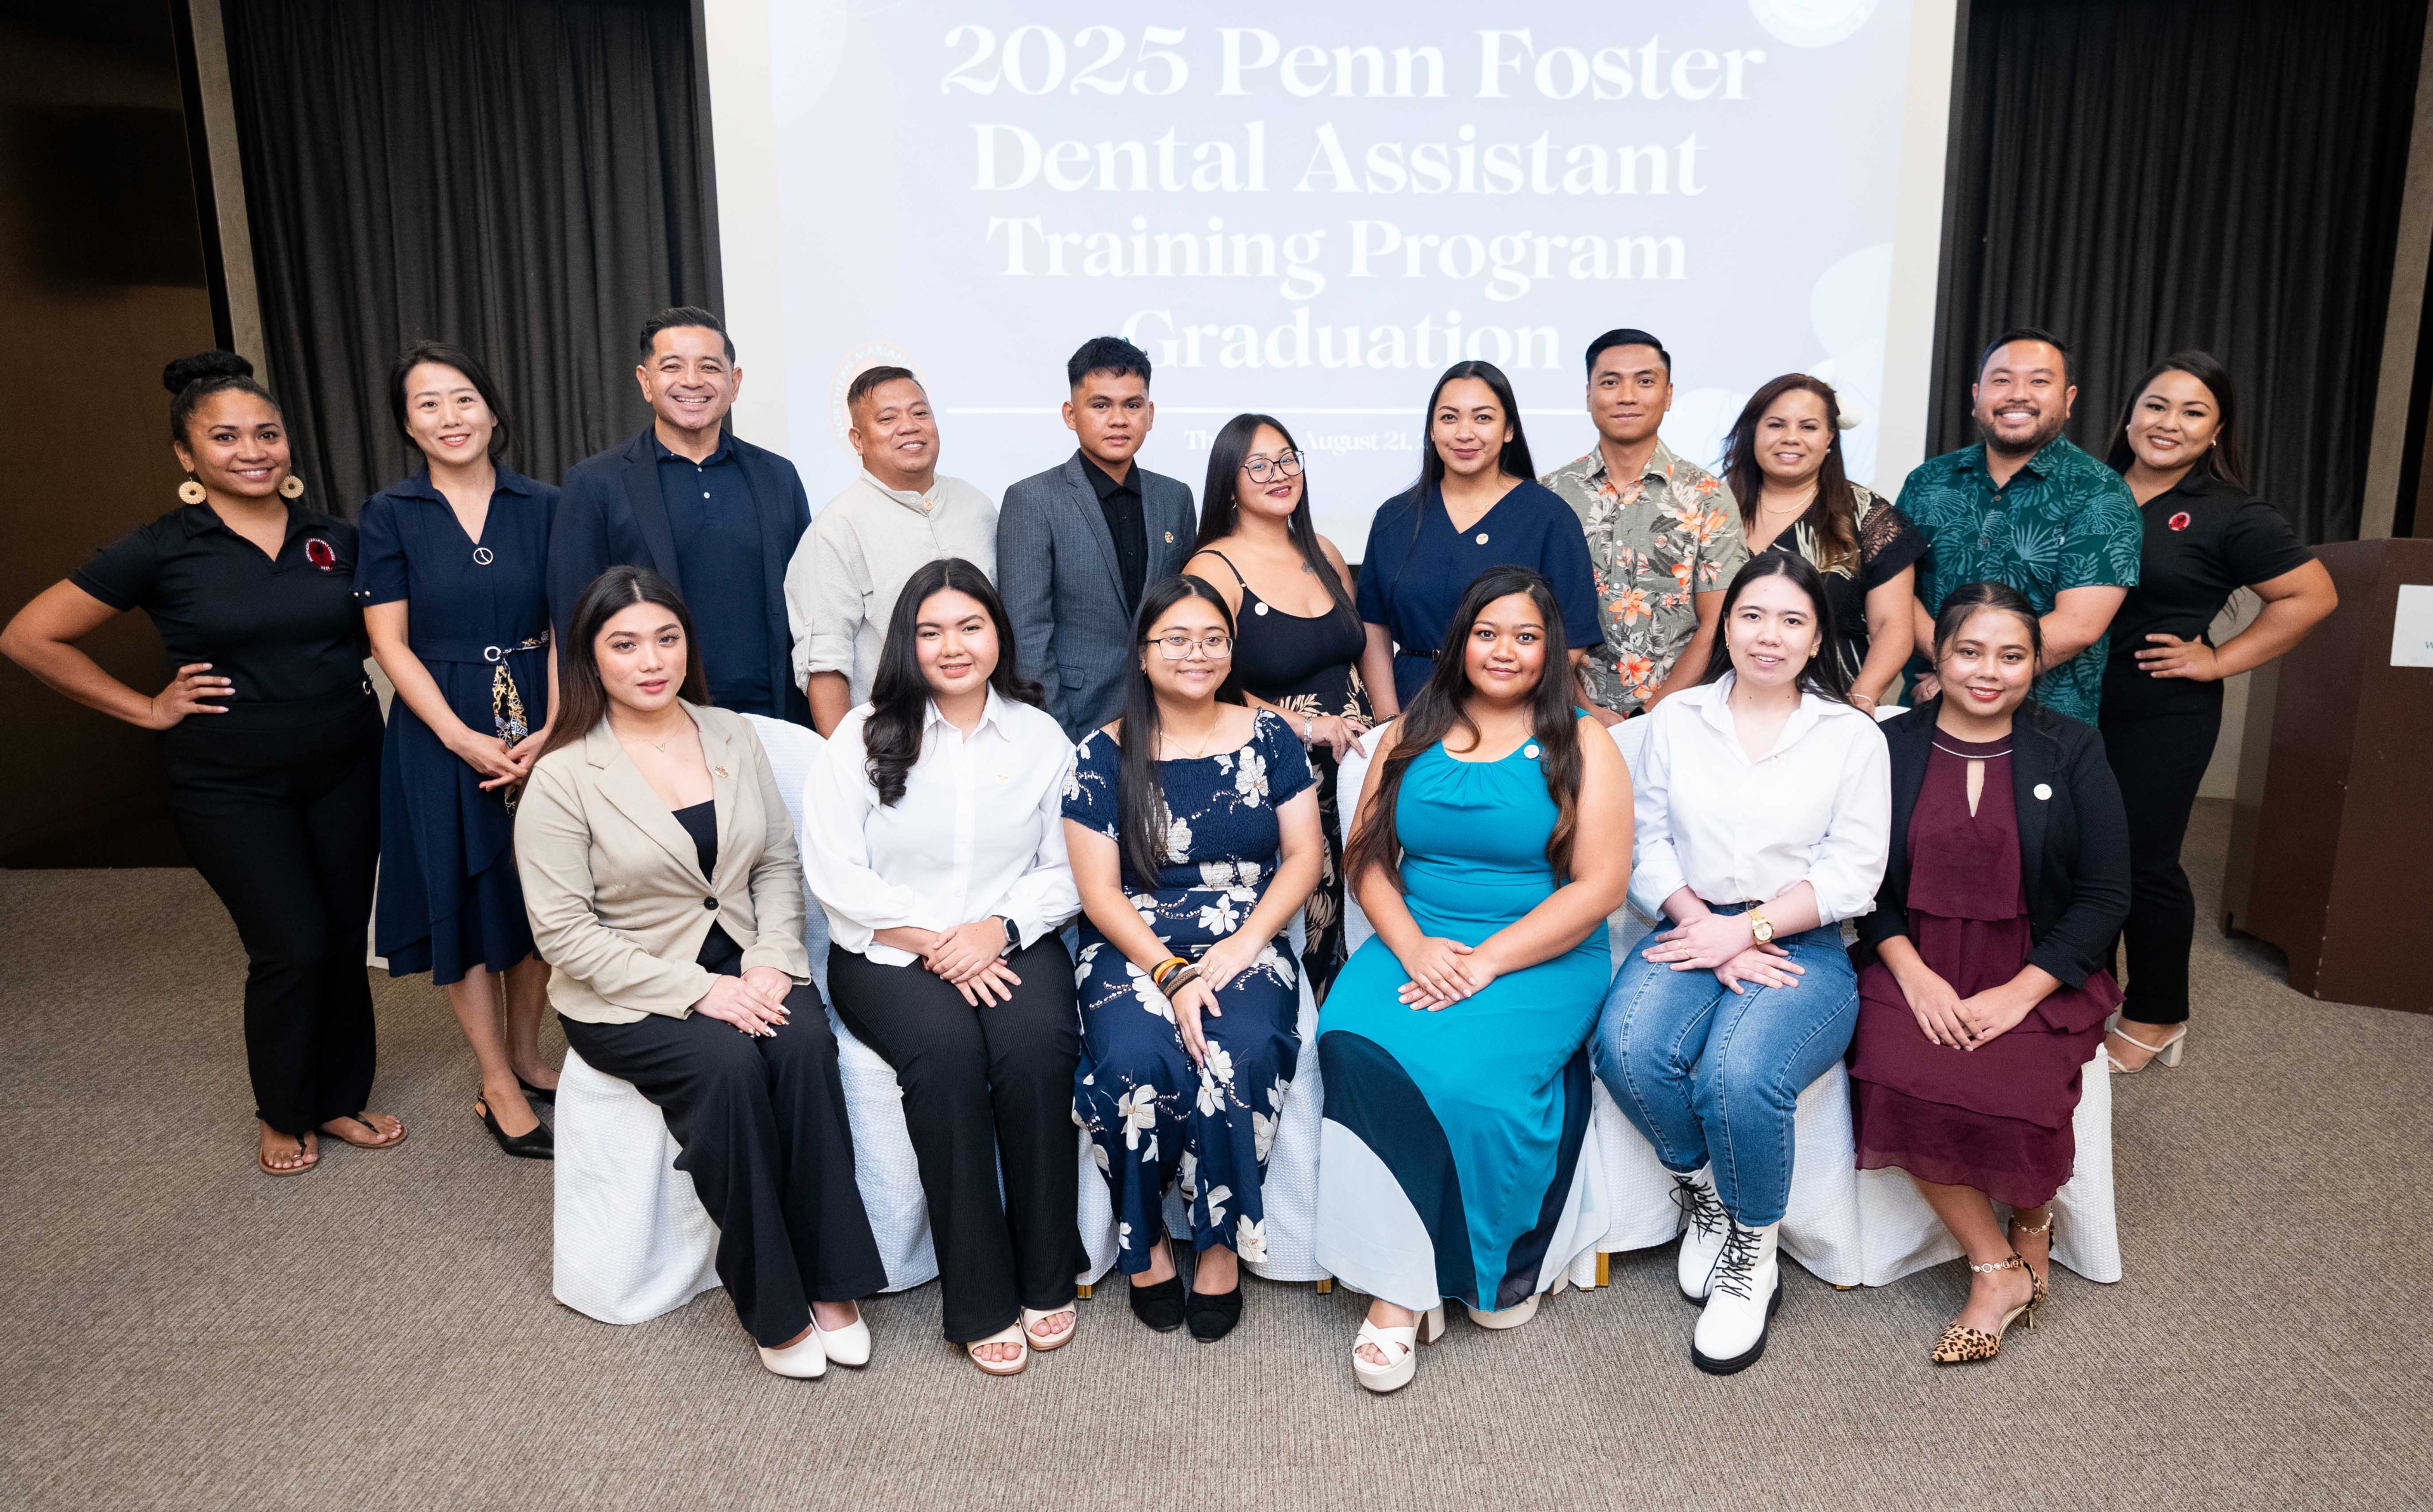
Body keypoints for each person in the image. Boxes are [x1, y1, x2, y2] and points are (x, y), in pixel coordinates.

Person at [0, 352, 403, 1177]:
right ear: (188, 457)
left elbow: (385, 639)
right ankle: (284, 1108)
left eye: (267, 432)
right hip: (228, 783)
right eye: (225, 437)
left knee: (335, 937)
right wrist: (146, 708)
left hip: (348, 766)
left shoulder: (337, 540)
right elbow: (28, 636)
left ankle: (336, 1095)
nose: (252, 450)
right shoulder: (159, 549)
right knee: (288, 945)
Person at [515, 566, 886, 1379]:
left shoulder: (730, 734)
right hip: (628, 987)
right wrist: (702, 991)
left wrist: (770, 962)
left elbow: (778, 864)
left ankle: (830, 1281)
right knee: (725, 1072)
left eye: (666, 638)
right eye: (625, 644)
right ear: (591, 658)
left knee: (800, 1051)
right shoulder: (564, 773)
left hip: (748, 959)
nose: (650, 660)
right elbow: (564, 934)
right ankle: (772, 1301)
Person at [1315, 565, 1632, 1395]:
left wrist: (1486, 962)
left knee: (1465, 1077)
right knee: (1351, 1048)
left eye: (1525, 636)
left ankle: (1444, 1278)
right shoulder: (1408, 730)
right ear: (1460, 640)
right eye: (1488, 632)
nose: (1504, 650)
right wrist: (1417, 947)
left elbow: (1598, 887)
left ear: (1549, 649)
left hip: (1538, 947)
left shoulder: (1584, 740)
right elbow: (1366, 860)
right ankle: (1402, 1286)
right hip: (1414, 938)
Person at [1595, 552, 1890, 1376]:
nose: (1768, 635)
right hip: (1689, 921)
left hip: (1801, 939)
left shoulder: (1848, 737)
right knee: (1625, 1045)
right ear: (1724, 626)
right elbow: (1644, 841)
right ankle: (1705, 1197)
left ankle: (1750, 1253)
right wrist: (1704, 925)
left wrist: (1749, 931)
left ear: (1817, 636)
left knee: (1736, 1070)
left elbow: (1852, 873)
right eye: (1751, 615)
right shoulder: (1677, 718)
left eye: (1792, 620)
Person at [802, 559, 1084, 1376]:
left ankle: (1045, 1272)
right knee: (948, 1055)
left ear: (998, 634)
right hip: (888, 950)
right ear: (906, 643)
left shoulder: (1038, 736)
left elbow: (1066, 866)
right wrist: (935, 941)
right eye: (931, 632)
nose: (952, 647)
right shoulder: (861, 734)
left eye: (970, 626)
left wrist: (995, 929)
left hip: (1008, 940)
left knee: (1035, 1049)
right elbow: (834, 870)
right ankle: (977, 1295)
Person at [1849, 582, 2132, 1363]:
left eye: (2011, 656)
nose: (1988, 672)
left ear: (2037, 664)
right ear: (1935, 655)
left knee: (2015, 1090)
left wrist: (2020, 992)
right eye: (1969, 652)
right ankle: (1994, 1266)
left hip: (2034, 967)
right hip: (1913, 959)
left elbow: (2107, 894)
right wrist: (1912, 976)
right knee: (1891, 1072)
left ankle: (2033, 1220)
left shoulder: (2072, 748)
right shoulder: (1889, 746)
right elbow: (1861, 884)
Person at [1062, 576, 1324, 1342]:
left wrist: (1246, 945)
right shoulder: (1098, 754)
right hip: (1133, 942)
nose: (1196, 653)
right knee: (1135, 1057)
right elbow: (1099, 894)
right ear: (1142, 655)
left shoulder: (1269, 736)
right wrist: (1170, 973)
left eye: (1212, 638)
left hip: (1249, 928)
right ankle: (1144, 1243)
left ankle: (1218, 1242)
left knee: (1234, 1049)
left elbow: (1305, 856)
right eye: (1174, 639)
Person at [2095, 354, 2336, 1072]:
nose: (2169, 423)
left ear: (2216, 430)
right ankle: (2089, 991)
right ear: (2130, 413)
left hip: (2161, 711)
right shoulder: (2090, 490)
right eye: (2156, 405)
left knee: (2143, 863)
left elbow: (2312, 596)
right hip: (2070, 704)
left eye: (2192, 412)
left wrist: (2217, 658)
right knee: (2076, 854)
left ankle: (2157, 1013)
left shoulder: (2230, 511)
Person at [356, 340, 558, 1158]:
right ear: (407, 423)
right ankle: (495, 1080)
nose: (450, 417)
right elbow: (390, 646)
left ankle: (527, 1051)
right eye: (428, 404)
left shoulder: (544, 502)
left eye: (463, 398)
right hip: (439, 728)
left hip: (540, 716)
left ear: (493, 409)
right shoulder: (390, 513)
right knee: (463, 898)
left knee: (539, 895)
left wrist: (553, 727)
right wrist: (460, 737)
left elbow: (566, 625)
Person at [1182, 413, 1371, 999]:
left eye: (1288, 459)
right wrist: (1308, 726)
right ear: (1228, 481)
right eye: (1258, 465)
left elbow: (1353, 653)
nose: (1278, 474)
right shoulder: (1213, 566)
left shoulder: (1324, 552)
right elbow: (1206, 679)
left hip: (1358, 768)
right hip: (1285, 771)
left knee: (1364, 908)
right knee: (1309, 912)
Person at [548, 306, 812, 723]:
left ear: (734, 381)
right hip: (653, 723)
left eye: (709, 367)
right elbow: (573, 623)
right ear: (645, 381)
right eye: (672, 367)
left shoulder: (778, 476)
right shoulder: (594, 483)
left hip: (775, 720)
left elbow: (808, 602)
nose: (692, 380)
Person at [1896, 328, 2143, 723]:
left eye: (2040, 381)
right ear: (1977, 397)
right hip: (1929, 711)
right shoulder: (1928, 482)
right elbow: (1895, 592)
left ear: (2068, 400)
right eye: (2002, 380)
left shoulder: (2100, 492)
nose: (2018, 394)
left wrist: (1966, 679)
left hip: (2046, 725)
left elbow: (2079, 625)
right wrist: (1952, 671)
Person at [1357, 361, 1603, 718]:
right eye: (1449, 418)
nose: (1465, 433)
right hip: (1411, 706)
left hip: (1513, 714)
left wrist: (1510, 711)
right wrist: (1388, 719)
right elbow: (1373, 624)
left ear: (1508, 430)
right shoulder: (1395, 517)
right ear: (1431, 430)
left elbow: (1572, 636)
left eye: (1483, 418)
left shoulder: (1549, 516)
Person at [1542, 328, 1750, 723]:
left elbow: (1719, 623)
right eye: (1610, 382)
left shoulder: (1707, 497)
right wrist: (1582, 709)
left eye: (1645, 381)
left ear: (1668, 394)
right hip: (1563, 717)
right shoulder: (1550, 496)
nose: (1627, 396)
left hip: (1683, 718)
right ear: (1589, 394)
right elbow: (1535, 617)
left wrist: (1652, 713)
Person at [783, 366, 998, 735]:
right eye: (888, 418)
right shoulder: (835, 529)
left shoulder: (977, 506)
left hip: (986, 734)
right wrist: (848, 767)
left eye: (920, 413)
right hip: (895, 745)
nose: (909, 426)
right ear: (857, 438)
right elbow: (824, 665)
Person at [999, 336, 1196, 740]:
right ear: (1071, 414)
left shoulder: (1176, 497)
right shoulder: (1031, 500)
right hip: (1073, 721)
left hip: (1170, 721)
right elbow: (1027, 635)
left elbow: (1188, 613)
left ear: (1151, 413)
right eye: (1101, 405)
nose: (1119, 419)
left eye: (1133, 405)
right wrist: (1061, 740)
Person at [1718, 373, 1926, 713]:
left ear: (1830, 437)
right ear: (1753, 432)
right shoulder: (1711, 508)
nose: (1791, 438)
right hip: (1720, 705)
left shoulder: (1867, 515)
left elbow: (1893, 626)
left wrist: (1860, 702)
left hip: (1832, 709)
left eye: (1808, 427)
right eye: (1775, 425)